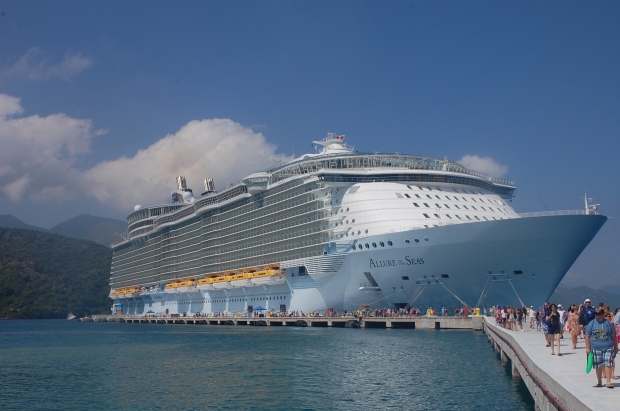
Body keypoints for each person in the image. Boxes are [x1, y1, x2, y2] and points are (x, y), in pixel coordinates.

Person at [585, 308, 619, 388]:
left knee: (608, 363)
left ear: (603, 315)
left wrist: (616, 346)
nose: (597, 316)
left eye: (599, 314)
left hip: (608, 346)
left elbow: (613, 336)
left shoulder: (608, 323)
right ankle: (599, 381)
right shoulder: (592, 323)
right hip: (595, 347)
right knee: (598, 365)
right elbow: (587, 336)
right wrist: (587, 348)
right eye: (596, 314)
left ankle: (608, 382)